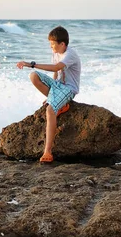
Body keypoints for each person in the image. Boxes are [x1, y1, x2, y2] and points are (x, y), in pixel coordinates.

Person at [17, 26, 81, 163]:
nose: (51, 47)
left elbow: (57, 67)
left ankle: (47, 151)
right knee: (34, 76)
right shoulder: (56, 53)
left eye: (53, 44)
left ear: (62, 44)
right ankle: (59, 103)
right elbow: (56, 73)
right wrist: (52, 94)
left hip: (69, 89)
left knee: (50, 110)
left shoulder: (70, 54)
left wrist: (31, 64)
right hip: (59, 86)